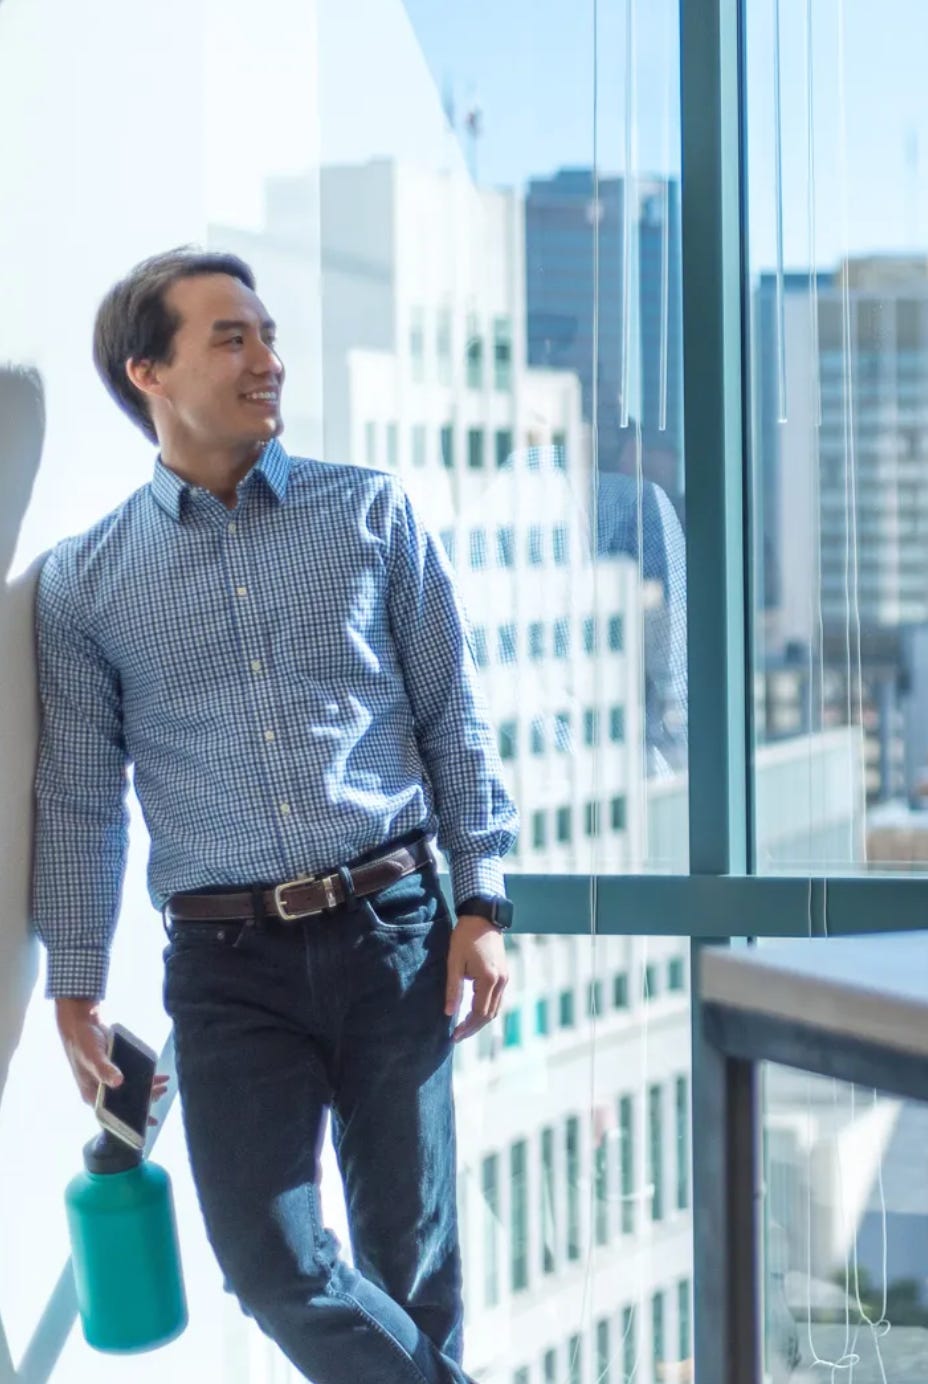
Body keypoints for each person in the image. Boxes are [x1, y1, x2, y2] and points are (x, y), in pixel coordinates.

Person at [33, 248, 517, 1383]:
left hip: (393, 926)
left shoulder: (369, 512)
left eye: (267, 334)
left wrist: (482, 895)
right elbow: (80, 795)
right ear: (146, 371)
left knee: (414, 1265)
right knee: (268, 1263)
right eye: (231, 338)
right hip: (225, 962)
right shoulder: (84, 582)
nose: (270, 359)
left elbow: (454, 719)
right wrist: (76, 981)